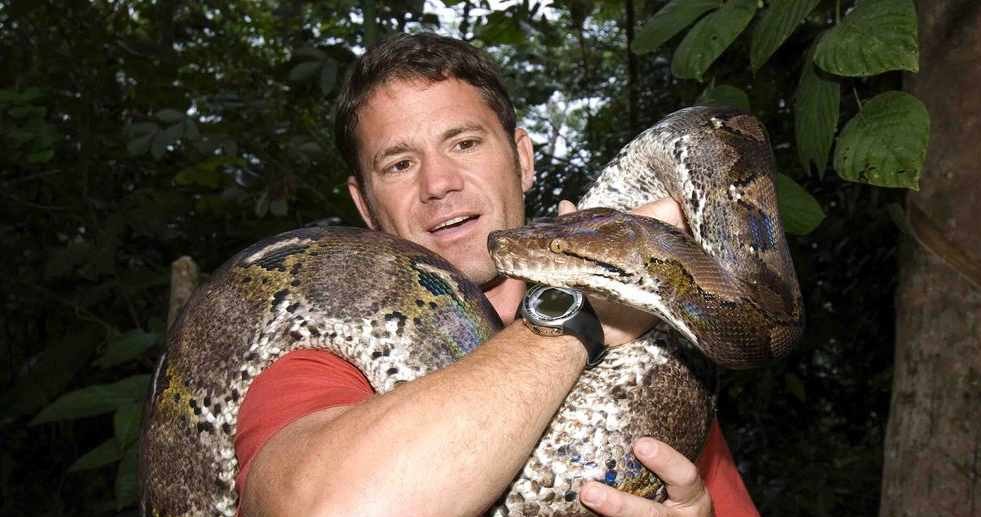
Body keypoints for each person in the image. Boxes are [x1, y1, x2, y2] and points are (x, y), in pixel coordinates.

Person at [234, 33, 759, 517]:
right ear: (364, 206)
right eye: (398, 164)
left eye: (464, 143)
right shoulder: (318, 356)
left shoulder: (663, 352)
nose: (438, 183)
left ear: (523, 159)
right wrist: (579, 317)